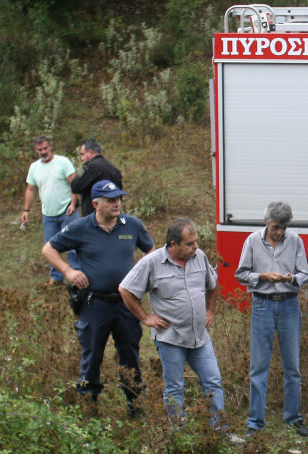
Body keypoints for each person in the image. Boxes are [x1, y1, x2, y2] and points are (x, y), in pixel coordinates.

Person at [43, 180, 153, 417]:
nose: (117, 204)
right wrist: (69, 272)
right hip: (95, 304)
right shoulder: (80, 228)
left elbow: (151, 251)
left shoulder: (131, 225)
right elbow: (48, 249)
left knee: (130, 354)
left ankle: (134, 405)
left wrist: (142, 276)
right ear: (95, 204)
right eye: (111, 200)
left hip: (126, 304)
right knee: (92, 355)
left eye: (119, 199)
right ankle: (89, 406)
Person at [120, 217, 227, 427]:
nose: (195, 247)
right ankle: (179, 435)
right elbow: (125, 290)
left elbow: (213, 284)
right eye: (189, 243)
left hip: (200, 337)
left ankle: (219, 431)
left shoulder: (200, 257)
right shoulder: (151, 263)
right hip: (171, 338)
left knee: (213, 381)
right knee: (175, 387)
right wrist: (145, 317)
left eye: (196, 242)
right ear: (173, 245)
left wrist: (210, 310)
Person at [235, 201, 308, 437]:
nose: (279, 232)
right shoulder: (251, 241)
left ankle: (293, 418)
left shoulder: (296, 241)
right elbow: (240, 274)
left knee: (293, 367)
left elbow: (305, 273)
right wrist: (262, 276)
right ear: (266, 222)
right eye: (275, 227)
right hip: (262, 305)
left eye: (284, 227)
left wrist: (292, 279)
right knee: (258, 367)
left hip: (290, 305)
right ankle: (255, 422)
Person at [20, 136, 79, 284]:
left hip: (67, 211)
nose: (43, 152)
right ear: (36, 150)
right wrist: (26, 210)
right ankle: (56, 278)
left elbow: (75, 184)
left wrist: (73, 204)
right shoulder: (34, 167)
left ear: (50, 147)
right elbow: (30, 189)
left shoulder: (63, 162)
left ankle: (79, 274)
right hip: (48, 214)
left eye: (45, 148)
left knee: (74, 246)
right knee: (51, 247)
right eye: (40, 150)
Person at [69, 139, 122, 217]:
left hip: (94, 217)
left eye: (82, 154)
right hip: (112, 215)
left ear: (90, 152)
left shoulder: (90, 167)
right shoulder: (113, 169)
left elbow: (75, 186)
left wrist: (82, 170)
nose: (82, 158)